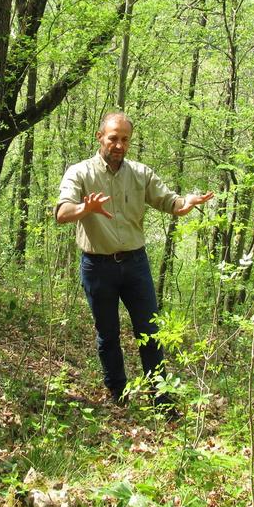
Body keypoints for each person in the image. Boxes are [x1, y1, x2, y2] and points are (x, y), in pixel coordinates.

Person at [55, 112, 213, 409]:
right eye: (113, 138)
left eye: (125, 139)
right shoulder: (80, 173)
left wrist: (187, 203)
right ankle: (119, 394)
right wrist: (84, 208)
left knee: (150, 331)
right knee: (108, 333)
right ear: (100, 137)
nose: (118, 145)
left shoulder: (140, 173)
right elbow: (61, 213)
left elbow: (171, 203)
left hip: (135, 264)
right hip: (97, 266)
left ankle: (161, 398)